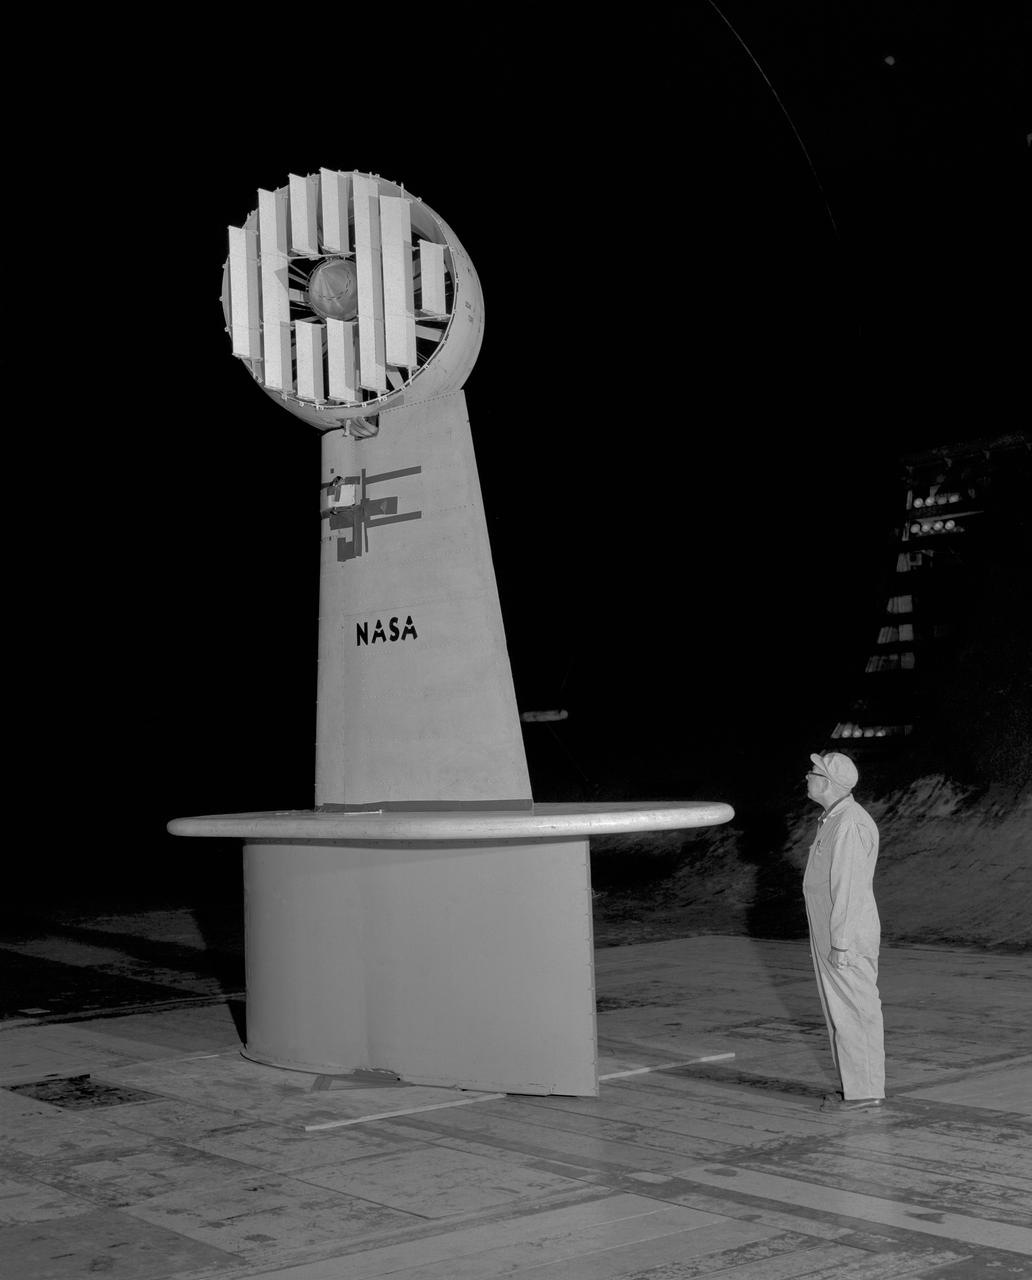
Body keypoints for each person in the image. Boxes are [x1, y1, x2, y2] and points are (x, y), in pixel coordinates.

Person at [803, 751, 885, 1113]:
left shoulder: (849, 823)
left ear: (828, 783)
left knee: (855, 1012)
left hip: (844, 938)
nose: (807, 777)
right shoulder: (834, 819)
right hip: (832, 935)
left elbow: (849, 887)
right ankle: (855, 1089)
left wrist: (841, 942)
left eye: (813, 772)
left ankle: (865, 1093)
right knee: (840, 1014)